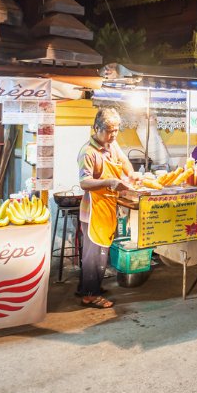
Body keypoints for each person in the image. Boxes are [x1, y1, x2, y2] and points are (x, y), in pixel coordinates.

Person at [77, 108, 136, 308]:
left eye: (116, 130)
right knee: (95, 255)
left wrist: (132, 174)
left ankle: (86, 287)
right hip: (93, 210)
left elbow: (123, 160)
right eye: (110, 131)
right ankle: (90, 296)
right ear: (96, 128)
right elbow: (84, 183)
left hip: (107, 206)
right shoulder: (88, 152)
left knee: (96, 252)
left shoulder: (112, 144)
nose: (113, 135)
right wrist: (109, 181)